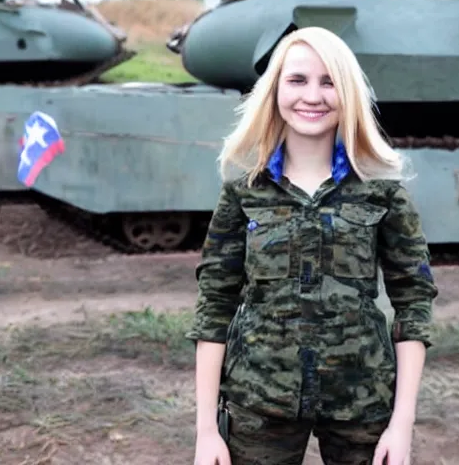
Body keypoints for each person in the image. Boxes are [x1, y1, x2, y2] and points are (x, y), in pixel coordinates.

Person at [186, 26, 439, 465]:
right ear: (275, 91)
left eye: (329, 82)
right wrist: (206, 429)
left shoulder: (383, 190)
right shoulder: (244, 190)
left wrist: (402, 424)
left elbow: (413, 303)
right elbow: (214, 304)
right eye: (298, 80)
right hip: (259, 401)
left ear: (348, 93)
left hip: (363, 403)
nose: (313, 96)